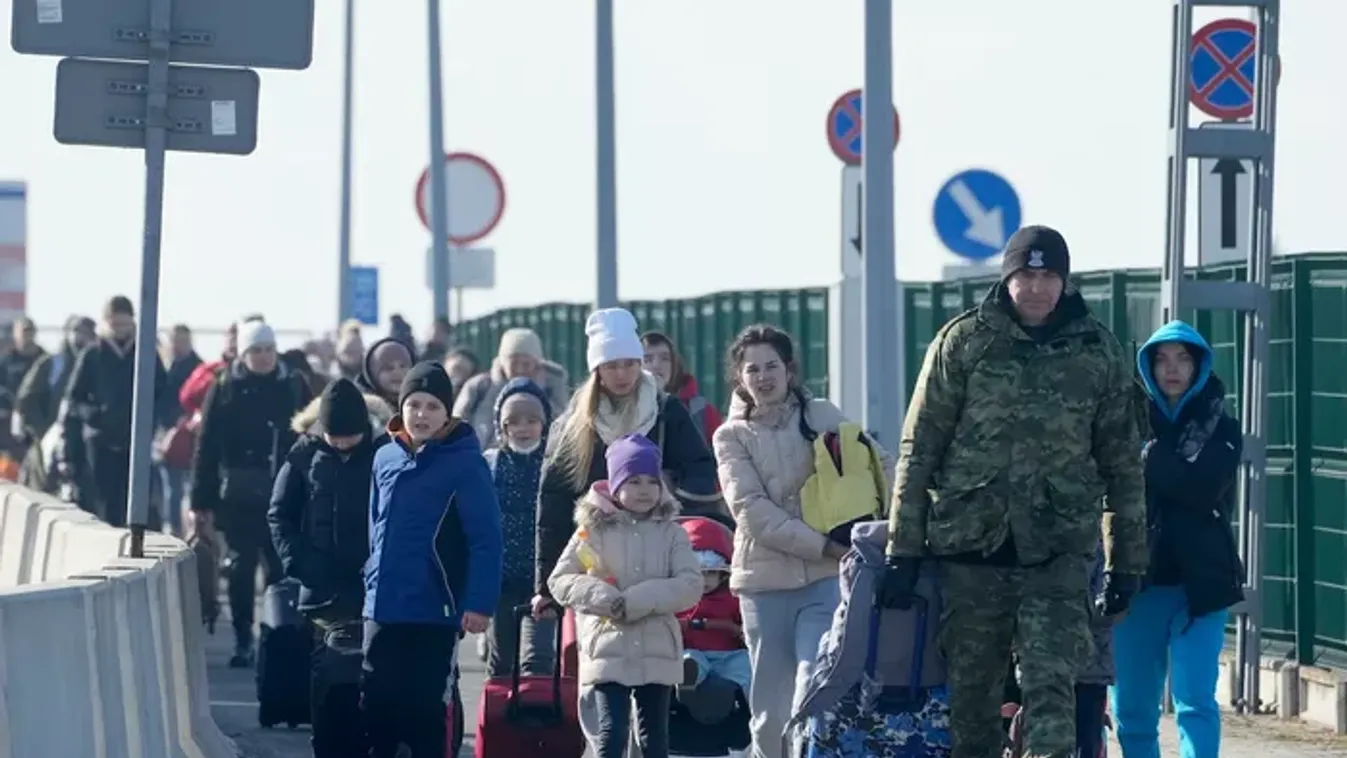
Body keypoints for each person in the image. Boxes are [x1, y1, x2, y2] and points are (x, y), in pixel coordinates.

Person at [880, 225, 1148, 758]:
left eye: (1050, 275)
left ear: (1065, 282)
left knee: (1052, 690)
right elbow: (920, 448)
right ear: (1007, 278)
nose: (1038, 287)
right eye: (1027, 274)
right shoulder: (964, 342)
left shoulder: (1097, 351)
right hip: (971, 551)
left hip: (1058, 553)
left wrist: (1127, 562)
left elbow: (1122, 463)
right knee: (974, 705)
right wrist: (902, 548)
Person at [712, 324, 891, 758]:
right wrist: (825, 546)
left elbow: (878, 464)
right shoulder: (730, 437)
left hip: (825, 580)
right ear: (739, 378)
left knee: (812, 689)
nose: (763, 376)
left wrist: (888, 525)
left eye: (772, 365)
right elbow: (751, 512)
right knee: (770, 714)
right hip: (763, 584)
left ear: (789, 370)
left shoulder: (823, 414)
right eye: (752, 369)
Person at [1111, 320, 1243, 758]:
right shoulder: (1122, 422)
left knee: (1195, 699)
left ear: (1199, 366)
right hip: (1137, 582)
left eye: (1183, 358)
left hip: (1202, 585)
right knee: (1132, 706)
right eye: (1162, 359)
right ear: (1147, 367)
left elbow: (1201, 489)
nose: (1172, 369)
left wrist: (1148, 456)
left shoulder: (1221, 427)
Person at [532, 308, 718, 617]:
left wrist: (667, 505)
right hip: (596, 565)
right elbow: (553, 504)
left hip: (656, 558)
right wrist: (545, 589)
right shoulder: (575, 425)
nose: (622, 374)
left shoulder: (664, 412)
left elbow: (700, 471)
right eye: (611, 366)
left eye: (630, 364)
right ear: (597, 370)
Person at [362, 361, 502, 758]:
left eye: (433, 407)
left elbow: (486, 539)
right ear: (401, 407)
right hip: (384, 604)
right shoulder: (384, 457)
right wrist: (370, 577)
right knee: (376, 704)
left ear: (447, 413)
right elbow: (375, 525)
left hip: (435, 607)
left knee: (425, 709)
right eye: (414, 404)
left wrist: (477, 603)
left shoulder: (465, 463)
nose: (422, 415)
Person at [548, 434, 702, 758]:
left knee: (654, 739)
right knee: (611, 734)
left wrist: (640, 599)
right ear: (615, 485)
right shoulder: (592, 532)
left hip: (657, 649)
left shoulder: (672, 533)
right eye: (633, 480)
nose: (644, 489)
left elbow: (690, 584)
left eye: (651, 480)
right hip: (608, 646)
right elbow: (560, 580)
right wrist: (604, 597)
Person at [269, 377, 392, 758]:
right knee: (328, 678)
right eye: (334, 438)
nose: (341, 445)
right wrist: (300, 565)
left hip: (375, 586)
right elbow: (280, 515)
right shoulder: (304, 455)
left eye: (348, 438)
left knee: (372, 677)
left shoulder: (384, 453)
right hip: (322, 589)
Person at [190, 319, 313, 667]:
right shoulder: (225, 386)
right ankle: (243, 637)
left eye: (268, 350)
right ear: (243, 354)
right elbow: (207, 445)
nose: (263, 357)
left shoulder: (293, 384)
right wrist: (201, 501)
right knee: (241, 569)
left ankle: (276, 637)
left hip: (284, 491)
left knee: (280, 570)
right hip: (238, 496)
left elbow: (312, 435)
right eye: (255, 351)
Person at [62, 296, 168, 525]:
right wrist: (93, 415)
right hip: (100, 442)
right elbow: (74, 398)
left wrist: (151, 421)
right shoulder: (92, 355)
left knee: (135, 502)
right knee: (104, 501)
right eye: (115, 324)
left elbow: (163, 392)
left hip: (135, 442)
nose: (120, 329)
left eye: (124, 323)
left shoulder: (146, 354)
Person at [482, 376, 556, 678]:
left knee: (538, 659)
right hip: (502, 579)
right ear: (502, 427)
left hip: (542, 580)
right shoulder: (490, 463)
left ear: (545, 423)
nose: (523, 429)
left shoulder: (554, 464)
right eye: (514, 422)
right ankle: (498, 719)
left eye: (532, 420)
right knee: (501, 659)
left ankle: (536, 719)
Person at [453, 327, 570, 448]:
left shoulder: (553, 389)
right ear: (503, 362)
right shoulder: (479, 387)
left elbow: (563, 428)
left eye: (526, 364)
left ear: (537, 364)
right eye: (513, 363)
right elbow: (456, 428)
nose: (520, 369)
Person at [675, 516, 751, 698]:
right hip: (694, 651)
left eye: (710, 574)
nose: (704, 582)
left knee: (746, 665)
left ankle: (757, 709)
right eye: (698, 575)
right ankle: (686, 682)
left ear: (722, 575)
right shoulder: (678, 599)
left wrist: (743, 631)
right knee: (689, 659)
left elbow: (745, 622)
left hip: (728, 654)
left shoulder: (733, 597)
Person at [15, 315, 94, 444]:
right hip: (54, 440)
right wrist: (44, 431)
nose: (81, 336)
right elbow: (27, 399)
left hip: (90, 441)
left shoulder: (100, 365)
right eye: (76, 331)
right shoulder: (53, 364)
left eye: (87, 332)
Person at [641, 331, 722, 447]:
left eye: (665, 359)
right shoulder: (624, 408)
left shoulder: (701, 411)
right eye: (647, 359)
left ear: (675, 365)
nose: (656, 365)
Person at [354, 336, 414, 409]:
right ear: (373, 374)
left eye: (403, 366)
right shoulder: (360, 408)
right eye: (389, 368)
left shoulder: (423, 404)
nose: (397, 372)